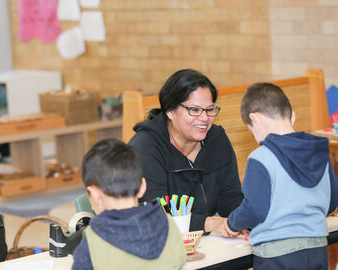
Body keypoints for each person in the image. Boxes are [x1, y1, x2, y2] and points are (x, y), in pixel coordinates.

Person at [223, 83, 338, 269]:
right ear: (292, 117)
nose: (255, 138)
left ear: (255, 119)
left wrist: (231, 223)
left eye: (251, 131)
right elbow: (332, 201)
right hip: (317, 249)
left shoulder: (261, 156)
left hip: (277, 256)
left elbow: (255, 209)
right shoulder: (319, 153)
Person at [128, 69, 244, 233]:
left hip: (211, 242)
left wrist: (245, 220)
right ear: (170, 111)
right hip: (163, 242)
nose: (204, 118)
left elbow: (229, 197)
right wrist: (210, 224)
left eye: (210, 109)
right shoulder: (145, 148)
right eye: (194, 110)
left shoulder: (216, 139)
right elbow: (154, 215)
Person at [72, 139, 187, 270]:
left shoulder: (94, 239)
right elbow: (180, 261)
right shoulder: (168, 223)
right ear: (142, 186)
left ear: (95, 194)